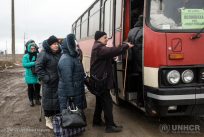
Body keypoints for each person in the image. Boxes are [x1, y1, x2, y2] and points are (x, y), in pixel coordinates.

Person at [90, 31, 133, 133]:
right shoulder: (99, 48)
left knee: (100, 102)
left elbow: (106, 57)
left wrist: (111, 59)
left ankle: (96, 121)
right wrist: (125, 46)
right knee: (108, 103)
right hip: (101, 82)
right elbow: (111, 51)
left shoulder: (98, 47)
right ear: (99, 38)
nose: (107, 39)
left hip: (98, 81)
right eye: (105, 37)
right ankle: (110, 126)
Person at [35, 35, 61, 129]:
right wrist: (47, 78)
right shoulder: (44, 54)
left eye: (57, 43)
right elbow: (38, 68)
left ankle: (56, 118)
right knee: (48, 101)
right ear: (49, 45)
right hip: (49, 83)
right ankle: (48, 120)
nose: (56, 45)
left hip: (58, 82)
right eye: (54, 44)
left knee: (57, 100)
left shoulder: (59, 53)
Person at [58, 34, 87, 112]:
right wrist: (71, 95)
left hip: (76, 90)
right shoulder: (66, 59)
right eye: (75, 45)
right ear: (69, 46)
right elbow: (67, 80)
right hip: (72, 93)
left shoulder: (73, 57)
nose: (77, 47)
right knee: (72, 117)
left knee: (77, 115)